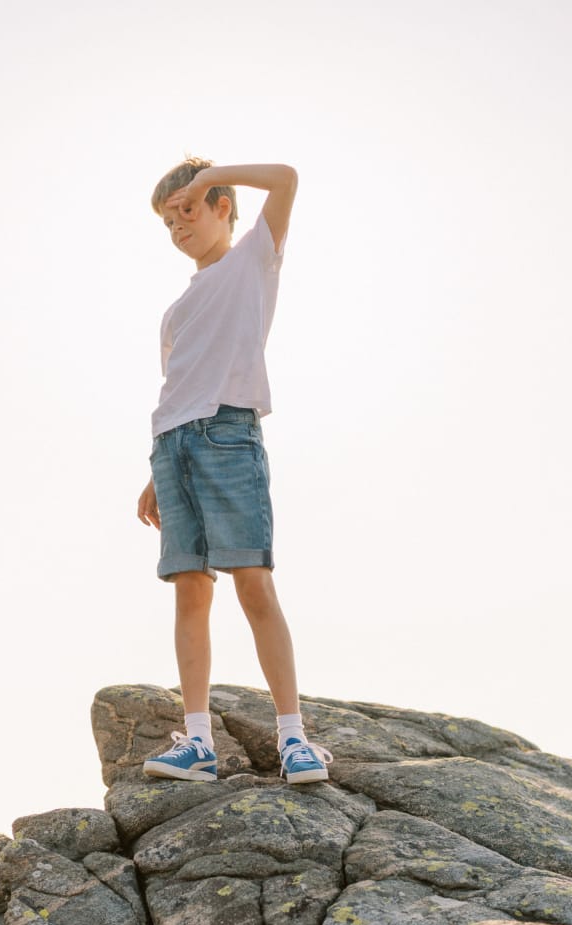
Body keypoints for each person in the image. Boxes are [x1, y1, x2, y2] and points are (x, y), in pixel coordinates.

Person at [137, 158, 331, 786]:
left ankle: (294, 738)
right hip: (173, 445)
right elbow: (176, 385)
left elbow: (285, 177)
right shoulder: (172, 311)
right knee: (190, 591)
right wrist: (154, 469)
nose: (177, 225)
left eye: (188, 210)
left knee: (253, 581)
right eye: (168, 220)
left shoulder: (253, 260)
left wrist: (207, 174)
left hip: (228, 434)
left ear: (223, 205)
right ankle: (197, 742)